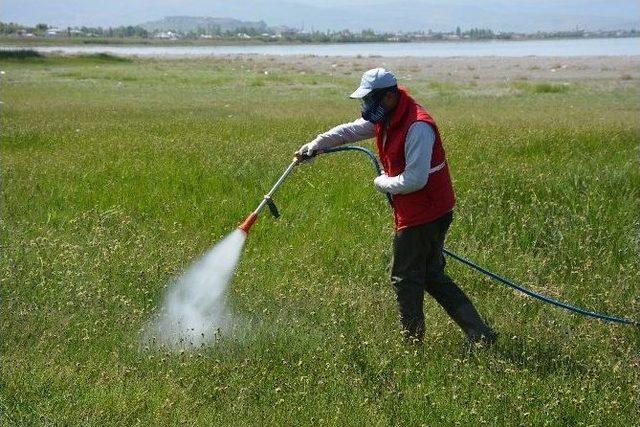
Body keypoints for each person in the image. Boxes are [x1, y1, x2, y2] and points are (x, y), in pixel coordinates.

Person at [296, 68, 496, 345]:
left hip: (424, 212)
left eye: (370, 101)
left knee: (405, 277)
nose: (366, 108)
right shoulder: (389, 115)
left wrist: (382, 183)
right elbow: (353, 129)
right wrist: (318, 144)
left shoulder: (417, 126)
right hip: (424, 208)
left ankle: (412, 343)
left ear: (389, 97)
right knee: (431, 274)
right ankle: (480, 333)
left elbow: (414, 179)